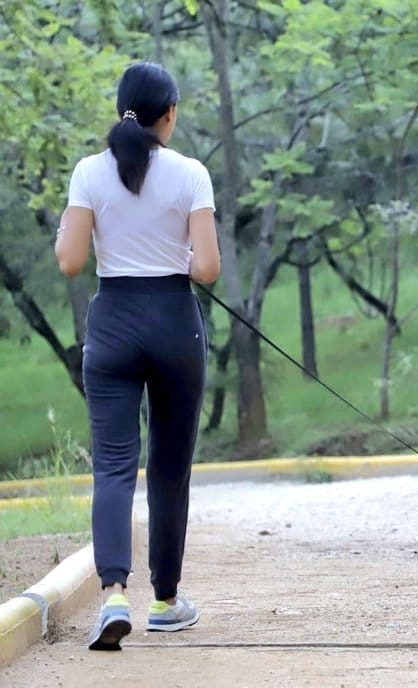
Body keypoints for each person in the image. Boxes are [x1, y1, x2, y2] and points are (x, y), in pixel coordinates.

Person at [55, 62, 220, 649]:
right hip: (175, 323)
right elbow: (206, 269)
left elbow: (71, 261)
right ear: (169, 113)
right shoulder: (190, 174)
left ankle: (112, 597)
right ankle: (167, 601)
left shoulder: (88, 173)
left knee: (114, 467)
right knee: (170, 470)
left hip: (114, 325)